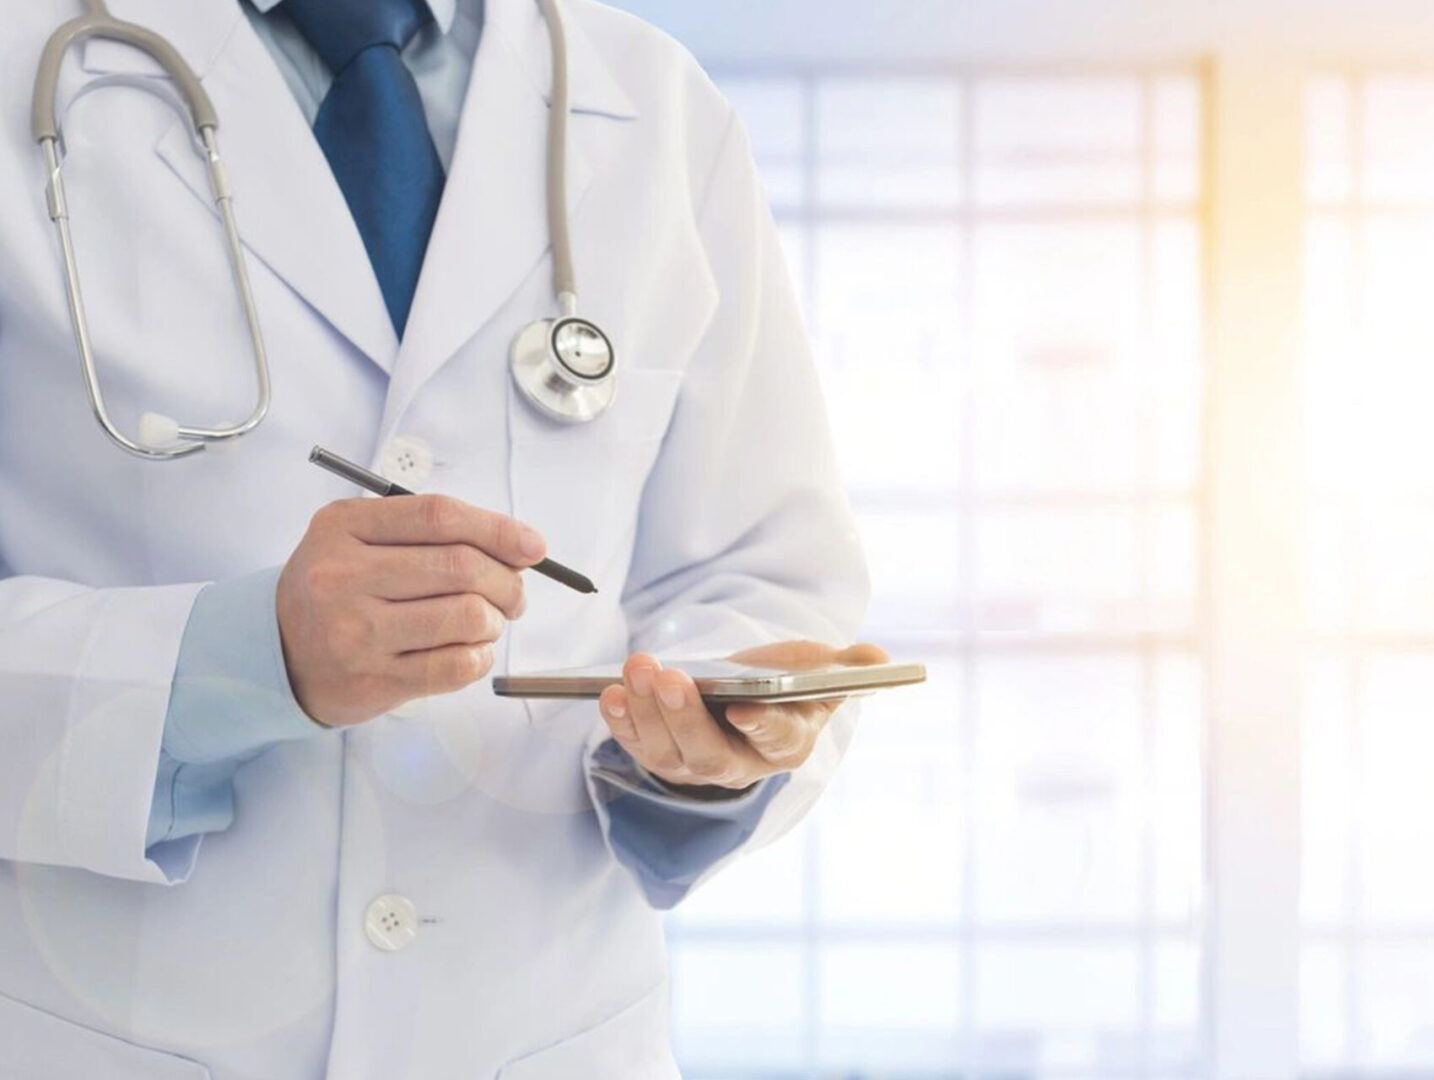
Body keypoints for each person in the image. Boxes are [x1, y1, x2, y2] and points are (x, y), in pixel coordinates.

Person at [0, 0, 872, 1075]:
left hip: (551, 1034)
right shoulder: (25, 68)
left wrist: (702, 750)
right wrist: (242, 660)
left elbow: (757, 573)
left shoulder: (654, 103)